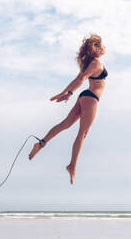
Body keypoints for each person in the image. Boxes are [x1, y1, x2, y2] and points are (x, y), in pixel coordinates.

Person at [29, 34, 107, 184]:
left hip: (85, 96)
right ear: (96, 48)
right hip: (91, 98)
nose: (105, 48)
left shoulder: (90, 64)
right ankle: (72, 166)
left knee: (65, 124)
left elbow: (78, 78)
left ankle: (41, 144)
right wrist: (67, 93)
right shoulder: (96, 63)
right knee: (82, 134)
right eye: (102, 45)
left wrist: (66, 93)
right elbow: (81, 79)